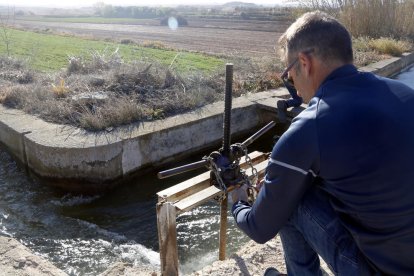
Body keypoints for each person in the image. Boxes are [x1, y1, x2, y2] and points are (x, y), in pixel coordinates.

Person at [230, 11, 414, 275]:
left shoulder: (309, 127)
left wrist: (238, 201)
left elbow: (260, 228)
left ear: (304, 63)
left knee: (291, 200)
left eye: (288, 74)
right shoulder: (405, 94)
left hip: (381, 270)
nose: (292, 84)